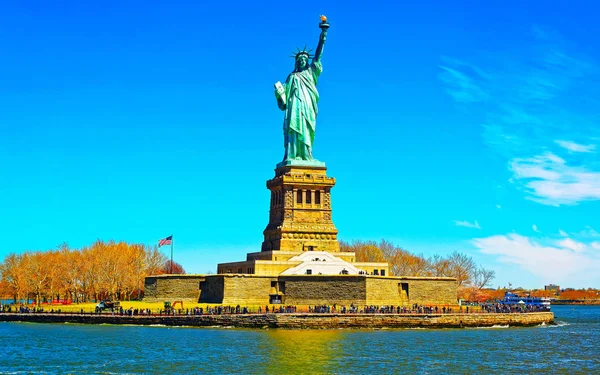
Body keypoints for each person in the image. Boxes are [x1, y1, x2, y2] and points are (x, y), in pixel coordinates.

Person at [275, 20, 329, 162]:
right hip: (294, 108)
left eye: (305, 59)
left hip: (307, 106)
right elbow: (284, 101)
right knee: (294, 128)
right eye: (300, 59)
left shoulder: (311, 73)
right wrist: (279, 94)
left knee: (306, 128)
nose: (303, 61)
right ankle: (292, 154)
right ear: (297, 62)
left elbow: (318, 56)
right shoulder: (291, 77)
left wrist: (323, 35)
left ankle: (307, 154)